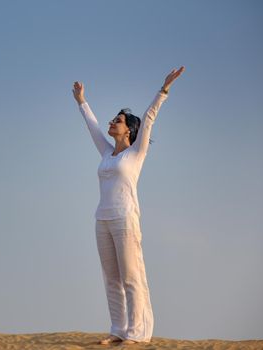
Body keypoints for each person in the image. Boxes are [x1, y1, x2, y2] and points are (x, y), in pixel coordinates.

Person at [72, 66, 185, 345]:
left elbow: (149, 118)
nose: (112, 122)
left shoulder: (136, 153)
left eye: (118, 120)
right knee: (111, 279)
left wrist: (164, 89)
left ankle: (137, 334)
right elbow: (92, 127)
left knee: (131, 277)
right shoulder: (107, 152)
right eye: (113, 119)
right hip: (103, 219)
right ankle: (118, 330)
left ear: (129, 130)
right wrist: (81, 101)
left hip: (125, 219)